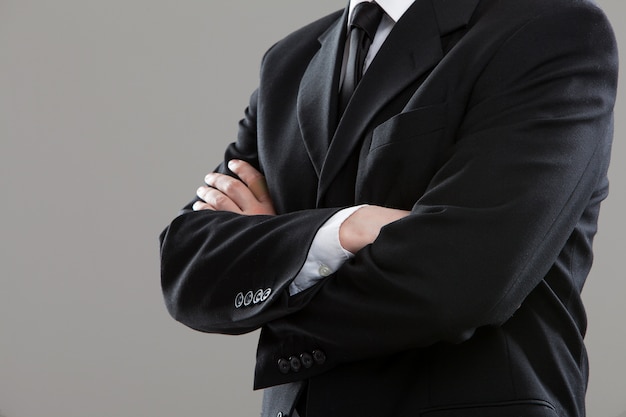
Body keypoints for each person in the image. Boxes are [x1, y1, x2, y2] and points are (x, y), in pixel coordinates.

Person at [159, 0, 618, 415]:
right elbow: (187, 266)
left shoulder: (550, 29)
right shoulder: (289, 61)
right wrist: (345, 229)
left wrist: (275, 265)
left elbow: (460, 280)